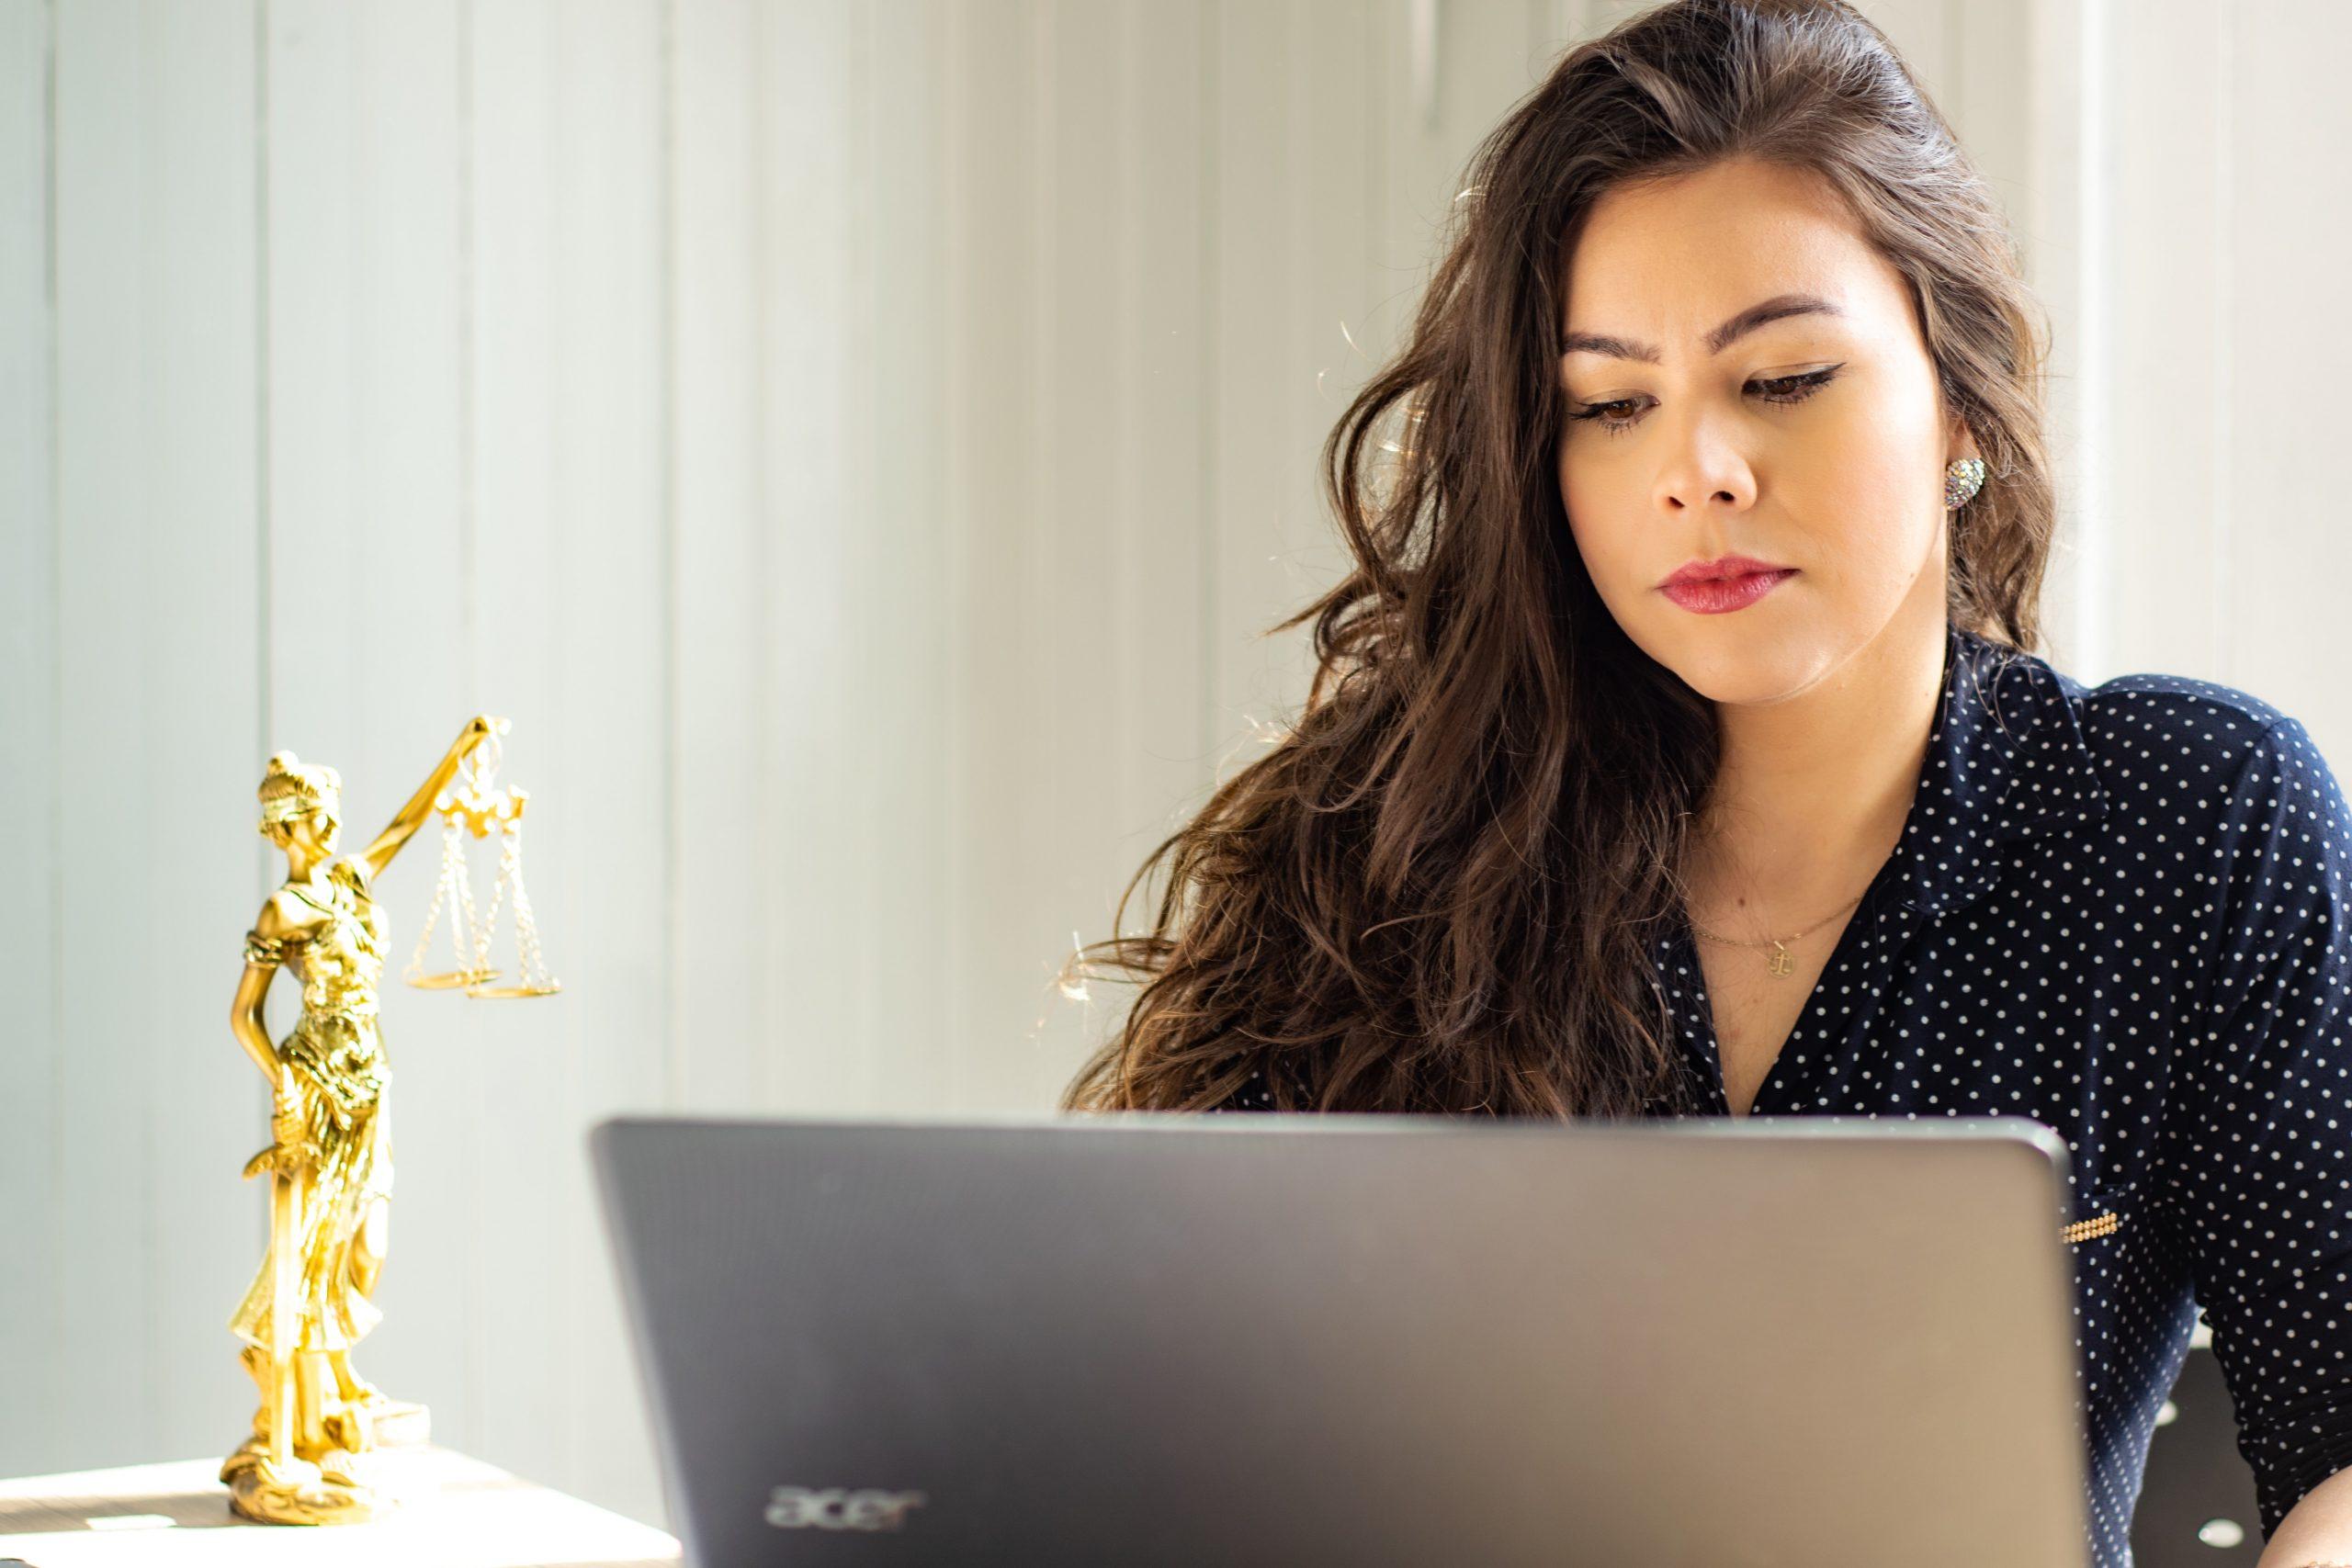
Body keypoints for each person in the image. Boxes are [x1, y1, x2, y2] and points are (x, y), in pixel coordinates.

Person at [1054, 2, 2352, 1562]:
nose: (1698, 472)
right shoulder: (1381, 845)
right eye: (1611, 407)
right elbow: (1145, 1433)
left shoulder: (2181, 821)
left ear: (1956, 394)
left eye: (1786, 377)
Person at [220, 717, 497, 1520]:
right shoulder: (282, 909)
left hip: (372, 1081)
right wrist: (284, 1084)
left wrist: (456, 753)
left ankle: (334, 1388)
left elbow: (407, 827)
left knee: (367, 1249)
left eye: (325, 812)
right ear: (285, 826)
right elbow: (244, 1015)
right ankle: (303, 1417)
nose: (323, 826)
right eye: (309, 815)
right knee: (313, 1252)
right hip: (319, 1089)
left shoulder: (349, 879)